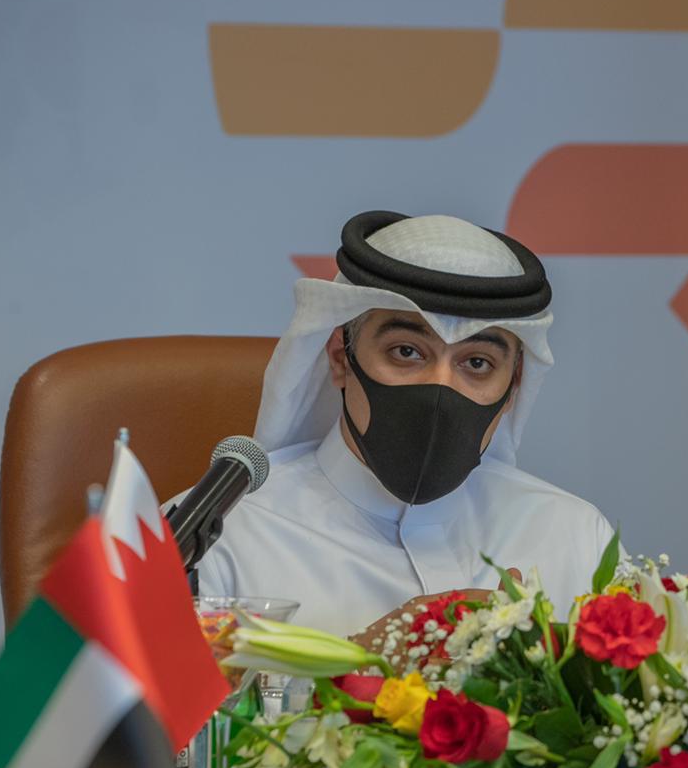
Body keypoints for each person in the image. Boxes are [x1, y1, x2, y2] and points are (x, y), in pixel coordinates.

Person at [194, 211, 615, 641]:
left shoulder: (576, 539)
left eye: (476, 362)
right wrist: (366, 661)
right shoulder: (219, 542)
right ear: (340, 357)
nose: (440, 387)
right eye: (407, 352)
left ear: (514, 385)